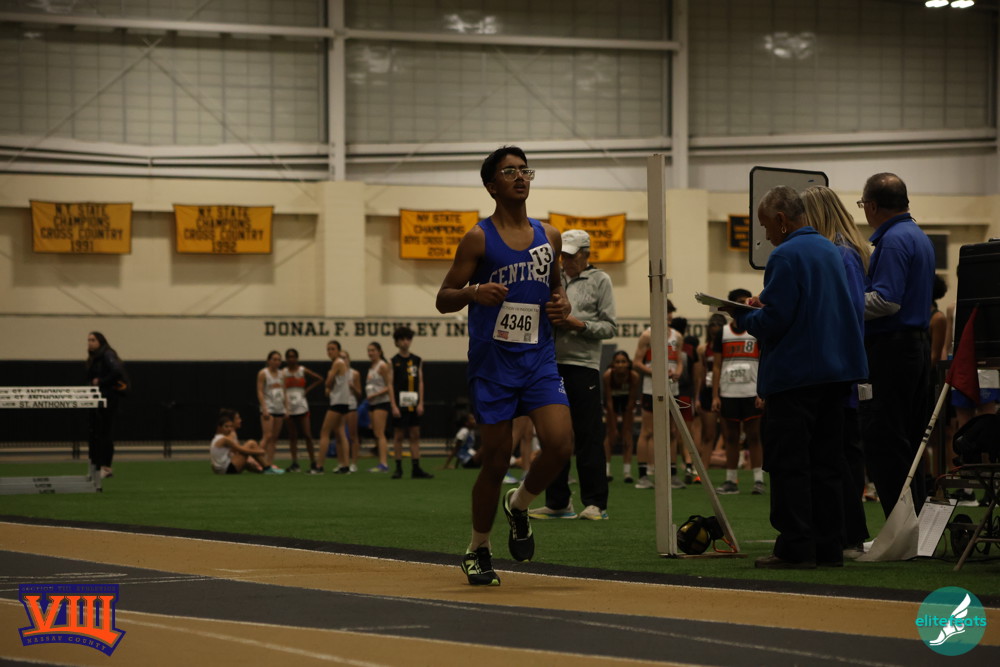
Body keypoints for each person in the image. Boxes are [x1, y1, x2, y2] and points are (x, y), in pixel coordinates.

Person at [435, 145, 573, 586]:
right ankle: (478, 547)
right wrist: (474, 292)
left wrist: (563, 303)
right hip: (493, 364)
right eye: (509, 171)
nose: (520, 177)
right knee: (495, 461)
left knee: (560, 444)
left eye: (524, 170)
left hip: (538, 359)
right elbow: (443, 298)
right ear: (491, 185)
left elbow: (556, 288)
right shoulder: (478, 238)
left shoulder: (549, 236)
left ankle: (519, 504)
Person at [725, 185, 867, 569]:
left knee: (790, 465)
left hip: (796, 376)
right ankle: (828, 548)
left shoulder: (786, 254)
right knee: (827, 464)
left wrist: (742, 315)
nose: (766, 234)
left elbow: (775, 321)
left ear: (782, 220)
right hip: (835, 374)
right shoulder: (831, 249)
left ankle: (796, 548)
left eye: (766, 225)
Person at [858, 173, 936, 518]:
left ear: (873, 206)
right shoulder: (918, 236)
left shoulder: (892, 240)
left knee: (884, 441)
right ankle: (912, 527)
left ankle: (900, 529)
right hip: (914, 348)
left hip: (891, 349)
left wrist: (840, 302)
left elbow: (886, 301)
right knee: (908, 443)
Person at [800, 185, 871, 555]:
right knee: (838, 452)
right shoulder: (841, 252)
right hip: (839, 364)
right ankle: (843, 532)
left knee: (840, 454)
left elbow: (850, 313)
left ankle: (848, 534)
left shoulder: (841, 254)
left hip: (839, 367)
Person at [527, 229, 617, 522]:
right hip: (550, 365)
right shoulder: (551, 279)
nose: (564, 260)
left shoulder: (600, 280)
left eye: (570, 255)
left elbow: (610, 327)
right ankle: (557, 503)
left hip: (583, 365)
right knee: (555, 436)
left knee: (588, 435)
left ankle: (595, 504)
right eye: (562, 255)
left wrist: (575, 323)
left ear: (586, 254)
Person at [711, 289, 765, 496]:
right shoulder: (723, 333)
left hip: (751, 392)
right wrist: (715, 395)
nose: (745, 304)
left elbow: (763, 360)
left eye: (747, 301)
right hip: (729, 393)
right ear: (732, 306)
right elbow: (717, 366)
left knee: (754, 437)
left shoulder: (756, 330)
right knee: (731, 437)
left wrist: (761, 392)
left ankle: (758, 480)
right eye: (740, 302)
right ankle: (731, 480)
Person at [632, 301, 685, 489]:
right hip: (651, 389)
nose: (669, 315)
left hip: (672, 389)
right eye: (666, 311)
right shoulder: (647, 335)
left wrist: (677, 372)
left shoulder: (677, 336)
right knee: (647, 431)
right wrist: (657, 373)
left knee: (672, 432)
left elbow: (679, 361)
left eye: (670, 312)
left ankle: (672, 474)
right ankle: (643, 475)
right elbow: (637, 362)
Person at [390, 326, 433, 479]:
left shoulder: (417, 360)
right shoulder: (393, 361)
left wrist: (421, 402)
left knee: (415, 435)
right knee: (399, 436)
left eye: (408, 339)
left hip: (414, 402)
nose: (405, 342)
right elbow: (390, 384)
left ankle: (416, 468)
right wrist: (393, 405)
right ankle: (398, 468)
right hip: (400, 404)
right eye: (402, 339)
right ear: (397, 342)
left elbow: (420, 381)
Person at [85, 331, 127, 479]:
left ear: (100, 341)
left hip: (109, 398)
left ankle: (106, 467)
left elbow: (117, 371)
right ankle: (95, 467)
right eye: (88, 340)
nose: (90, 343)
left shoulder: (108, 354)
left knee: (106, 432)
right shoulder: (94, 358)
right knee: (95, 433)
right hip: (97, 397)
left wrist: (101, 381)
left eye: (93, 340)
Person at [282, 348, 323, 473]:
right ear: (286, 359)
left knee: (307, 435)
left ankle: (313, 461)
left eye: (293, 356)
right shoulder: (283, 372)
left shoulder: (302, 370)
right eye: (289, 357)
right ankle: (295, 463)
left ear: (297, 358)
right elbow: (281, 388)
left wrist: (307, 390)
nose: (291, 359)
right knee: (292, 436)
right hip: (289, 406)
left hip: (301, 405)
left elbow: (319, 379)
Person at [695, 314, 726, 478]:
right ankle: (703, 471)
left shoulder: (728, 346)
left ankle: (731, 475)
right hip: (708, 391)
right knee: (708, 434)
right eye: (713, 334)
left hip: (726, 389)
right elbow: (701, 374)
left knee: (729, 433)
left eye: (718, 333)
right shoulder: (703, 349)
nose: (715, 336)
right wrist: (697, 397)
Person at [603, 350, 640, 484]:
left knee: (627, 434)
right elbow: (609, 402)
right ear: (613, 364)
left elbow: (631, 402)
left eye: (623, 362)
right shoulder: (608, 376)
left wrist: (625, 426)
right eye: (617, 362)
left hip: (627, 402)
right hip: (612, 402)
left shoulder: (634, 376)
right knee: (611, 435)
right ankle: (606, 470)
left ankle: (627, 472)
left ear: (628, 363)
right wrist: (614, 427)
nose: (620, 365)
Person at [317, 340, 351, 475]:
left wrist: (329, 380)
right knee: (340, 432)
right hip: (343, 401)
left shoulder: (337, 363)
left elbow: (328, 383)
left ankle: (319, 466)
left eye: (332, 349)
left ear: (338, 351)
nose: (330, 352)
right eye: (328, 349)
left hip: (337, 402)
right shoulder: (340, 364)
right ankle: (345, 466)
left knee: (324, 432)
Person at [255, 351, 286, 474]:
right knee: (267, 436)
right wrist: (264, 408)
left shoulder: (282, 374)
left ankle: (269, 464)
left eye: (278, 359)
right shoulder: (263, 373)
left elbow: (284, 391)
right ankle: (257, 462)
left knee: (274, 438)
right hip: (268, 407)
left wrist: (286, 408)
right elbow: (260, 391)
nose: (276, 362)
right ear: (268, 360)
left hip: (279, 407)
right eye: (274, 359)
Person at [210, 408, 269, 474]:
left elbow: (235, 452)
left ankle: (263, 470)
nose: (240, 420)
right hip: (227, 469)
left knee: (248, 461)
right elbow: (241, 450)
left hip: (222, 469)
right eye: (238, 418)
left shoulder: (220, 437)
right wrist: (259, 452)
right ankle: (268, 468)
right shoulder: (227, 437)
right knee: (251, 443)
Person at [365, 341, 392, 472]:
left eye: (373, 350)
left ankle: (384, 463)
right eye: (369, 351)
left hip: (381, 402)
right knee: (375, 433)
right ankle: (380, 462)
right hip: (372, 403)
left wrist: (375, 394)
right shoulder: (372, 367)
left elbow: (389, 386)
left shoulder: (382, 366)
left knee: (380, 433)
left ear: (379, 352)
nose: (370, 353)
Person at [341, 349, 363, 473]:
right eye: (340, 358)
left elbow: (359, 393)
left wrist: (353, 387)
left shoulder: (354, 374)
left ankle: (354, 463)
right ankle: (342, 462)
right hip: (339, 406)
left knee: (353, 435)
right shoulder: (336, 373)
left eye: (344, 357)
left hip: (351, 405)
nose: (343, 360)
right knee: (340, 436)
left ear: (349, 359)